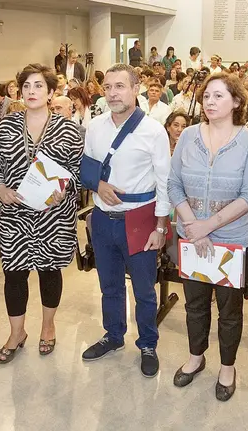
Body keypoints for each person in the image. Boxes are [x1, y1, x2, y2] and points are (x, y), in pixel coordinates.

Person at [168, 72, 248, 401]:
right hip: (191, 235)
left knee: (229, 309)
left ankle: (227, 366)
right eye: (207, 95)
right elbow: (173, 183)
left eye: (219, 96)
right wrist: (192, 224)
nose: (210, 101)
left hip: (232, 239)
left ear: (237, 101)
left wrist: (206, 227)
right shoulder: (189, 135)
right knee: (195, 304)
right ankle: (196, 357)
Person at [0, 63, 82, 363]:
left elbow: (78, 173)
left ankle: (48, 326)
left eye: (39, 86)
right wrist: (0, 188)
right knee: (13, 275)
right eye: (26, 86)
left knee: (49, 273)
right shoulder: (7, 126)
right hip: (15, 215)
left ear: (52, 92)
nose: (31, 91)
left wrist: (65, 190)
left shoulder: (69, 129)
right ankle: (17, 332)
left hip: (53, 216)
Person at [81, 63, 170, 378]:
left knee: (145, 289)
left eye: (120, 86)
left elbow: (165, 183)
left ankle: (147, 343)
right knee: (110, 285)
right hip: (104, 219)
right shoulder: (95, 127)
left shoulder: (153, 131)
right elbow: (88, 169)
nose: (113, 93)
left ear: (136, 89)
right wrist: (98, 185)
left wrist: (160, 228)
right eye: (108, 87)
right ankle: (113, 334)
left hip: (140, 220)